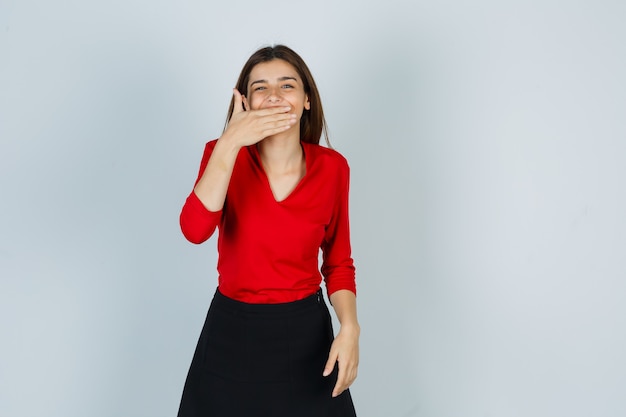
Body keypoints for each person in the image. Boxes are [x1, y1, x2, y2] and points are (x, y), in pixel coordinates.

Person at [177, 45, 359, 417]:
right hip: (232, 332)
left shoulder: (333, 168)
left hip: (307, 335)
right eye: (260, 88)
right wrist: (229, 142)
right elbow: (195, 230)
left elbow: (339, 262)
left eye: (287, 85)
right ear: (245, 102)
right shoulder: (222, 154)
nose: (274, 96)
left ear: (307, 99)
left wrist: (350, 327)